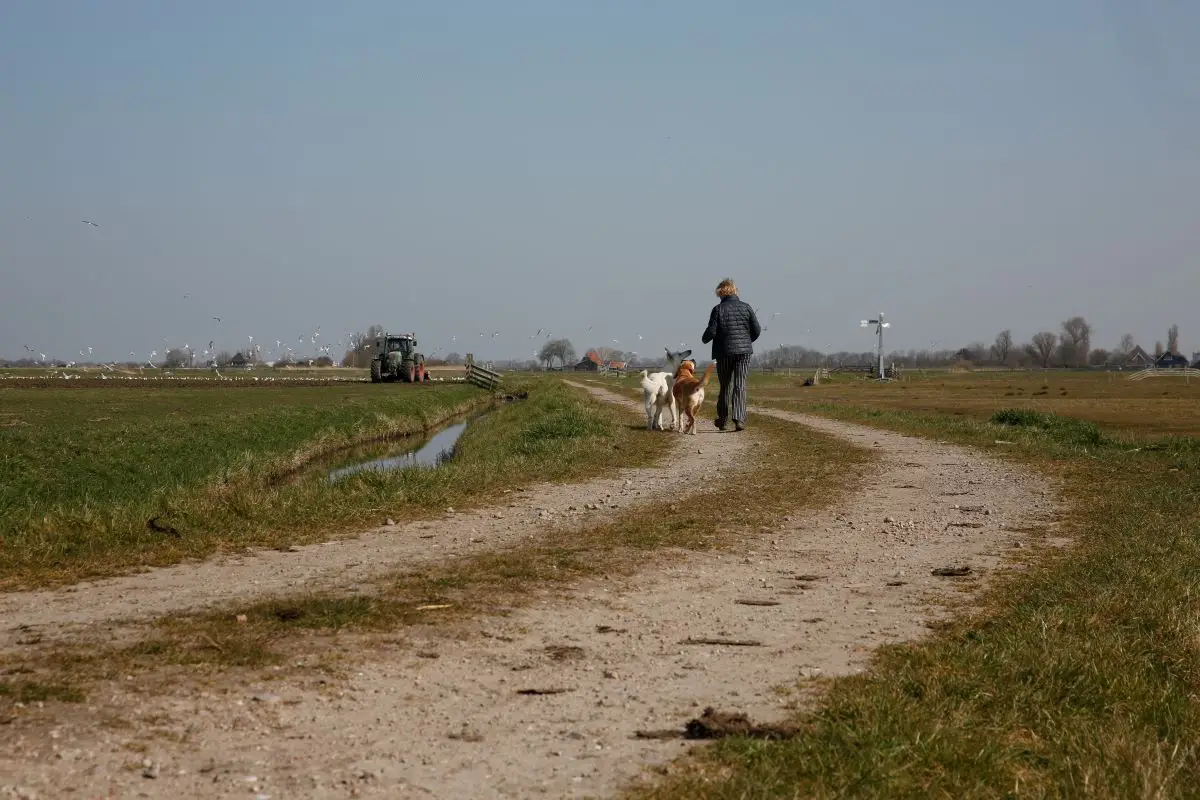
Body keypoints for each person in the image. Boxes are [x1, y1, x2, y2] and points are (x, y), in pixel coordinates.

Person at [701, 278, 761, 432]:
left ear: (720, 293)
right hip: (744, 352)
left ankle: (722, 420)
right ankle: (739, 419)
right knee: (740, 385)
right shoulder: (746, 307)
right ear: (735, 291)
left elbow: (711, 332)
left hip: (724, 352)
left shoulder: (718, 309)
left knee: (725, 387)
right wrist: (746, 341)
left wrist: (705, 338)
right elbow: (757, 330)